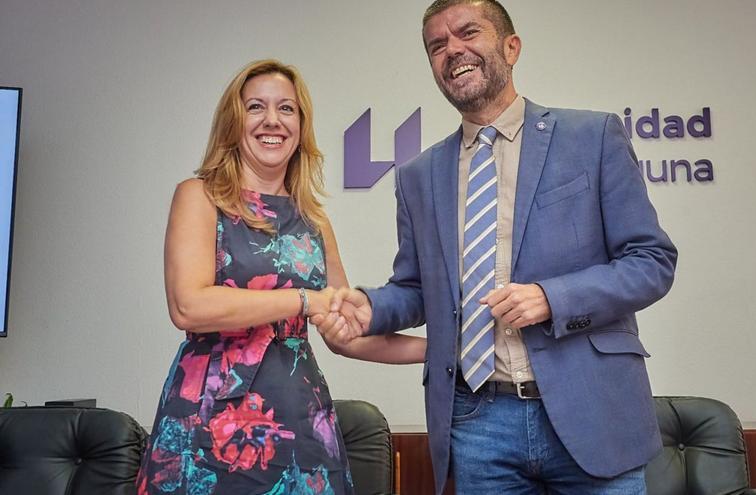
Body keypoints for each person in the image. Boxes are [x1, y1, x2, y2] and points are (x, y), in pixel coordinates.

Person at [313, 1, 678, 493]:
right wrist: (370, 306)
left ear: (511, 46)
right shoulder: (418, 177)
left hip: (593, 409)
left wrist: (553, 298)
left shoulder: (591, 137)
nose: (452, 50)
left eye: (468, 33)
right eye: (437, 45)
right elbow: (419, 289)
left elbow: (651, 262)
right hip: (477, 421)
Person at [136, 59, 425, 495]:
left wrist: (443, 350)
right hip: (207, 420)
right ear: (234, 122)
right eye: (256, 107)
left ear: (301, 125)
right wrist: (305, 301)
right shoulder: (199, 196)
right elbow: (188, 306)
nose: (272, 120)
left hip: (298, 421)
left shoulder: (314, 219)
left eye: (286, 109)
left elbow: (344, 332)